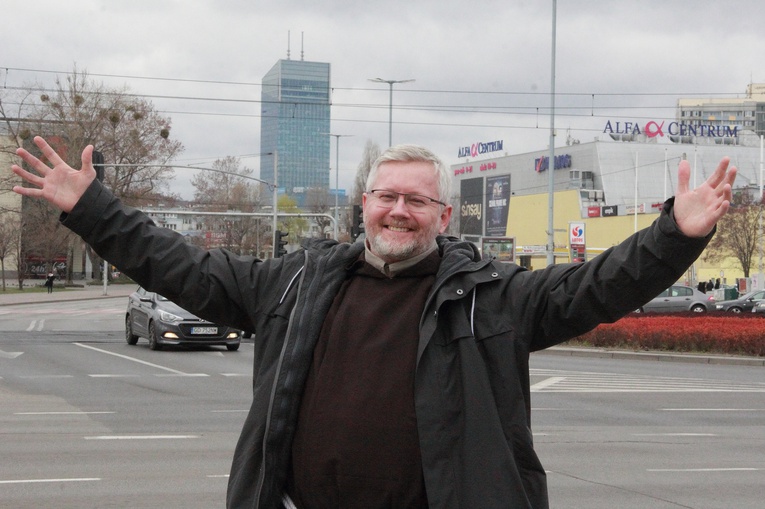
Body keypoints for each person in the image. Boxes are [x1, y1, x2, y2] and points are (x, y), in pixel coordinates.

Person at [11, 136, 735, 509]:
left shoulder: (493, 297)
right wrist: (93, 210)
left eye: (416, 201)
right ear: (363, 204)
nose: (397, 211)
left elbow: (596, 285)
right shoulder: (291, 281)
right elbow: (181, 267)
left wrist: (674, 233)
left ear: (443, 215)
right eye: (385, 195)